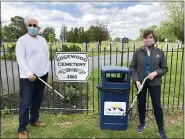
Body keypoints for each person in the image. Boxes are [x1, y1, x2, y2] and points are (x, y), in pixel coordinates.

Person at [129, 29, 168, 139]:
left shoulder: (159, 52)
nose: (148, 39)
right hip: (141, 83)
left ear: (154, 38)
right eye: (146, 37)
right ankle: (142, 124)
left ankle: (161, 129)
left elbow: (164, 69)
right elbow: (132, 68)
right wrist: (136, 80)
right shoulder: (137, 52)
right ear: (143, 39)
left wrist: (156, 72)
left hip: (155, 83)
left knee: (157, 106)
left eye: (150, 37)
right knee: (141, 104)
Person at [15, 18, 49, 139]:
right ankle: (22, 129)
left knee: (37, 100)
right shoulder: (22, 40)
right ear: (26, 27)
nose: (33, 27)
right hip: (28, 78)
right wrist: (28, 73)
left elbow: (46, 56)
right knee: (25, 103)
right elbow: (20, 59)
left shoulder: (43, 40)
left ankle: (34, 120)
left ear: (38, 28)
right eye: (30, 25)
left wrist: (45, 71)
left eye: (35, 25)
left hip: (42, 76)